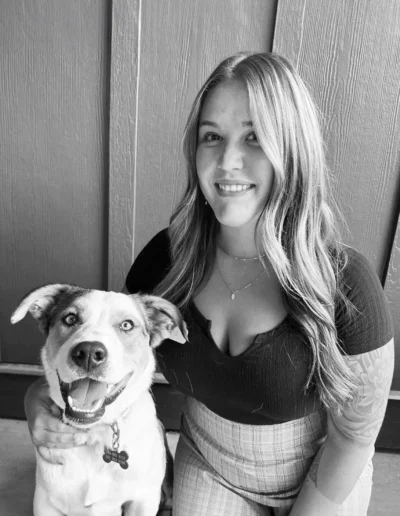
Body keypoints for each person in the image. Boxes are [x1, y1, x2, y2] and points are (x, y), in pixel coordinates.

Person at [25, 52, 394, 516]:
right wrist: (37, 398)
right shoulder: (164, 261)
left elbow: (356, 434)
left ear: (294, 150)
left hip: (322, 470)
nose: (228, 161)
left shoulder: (347, 285)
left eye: (256, 137)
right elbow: (112, 359)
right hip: (208, 462)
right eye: (212, 137)